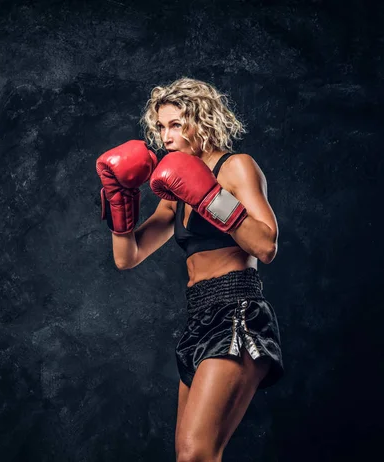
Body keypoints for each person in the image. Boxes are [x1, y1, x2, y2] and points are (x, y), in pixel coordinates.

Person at [96, 77, 284, 462]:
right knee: (187, 454)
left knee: (197, 453)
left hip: (238, 311)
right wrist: (121, 199)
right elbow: (127, 257)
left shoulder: (236, 167)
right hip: (200, 316)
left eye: (176, 125)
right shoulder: (173, 189)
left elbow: (266, 245)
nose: (165, 136)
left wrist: (209, 197)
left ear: (203, 120)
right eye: (161, 126)